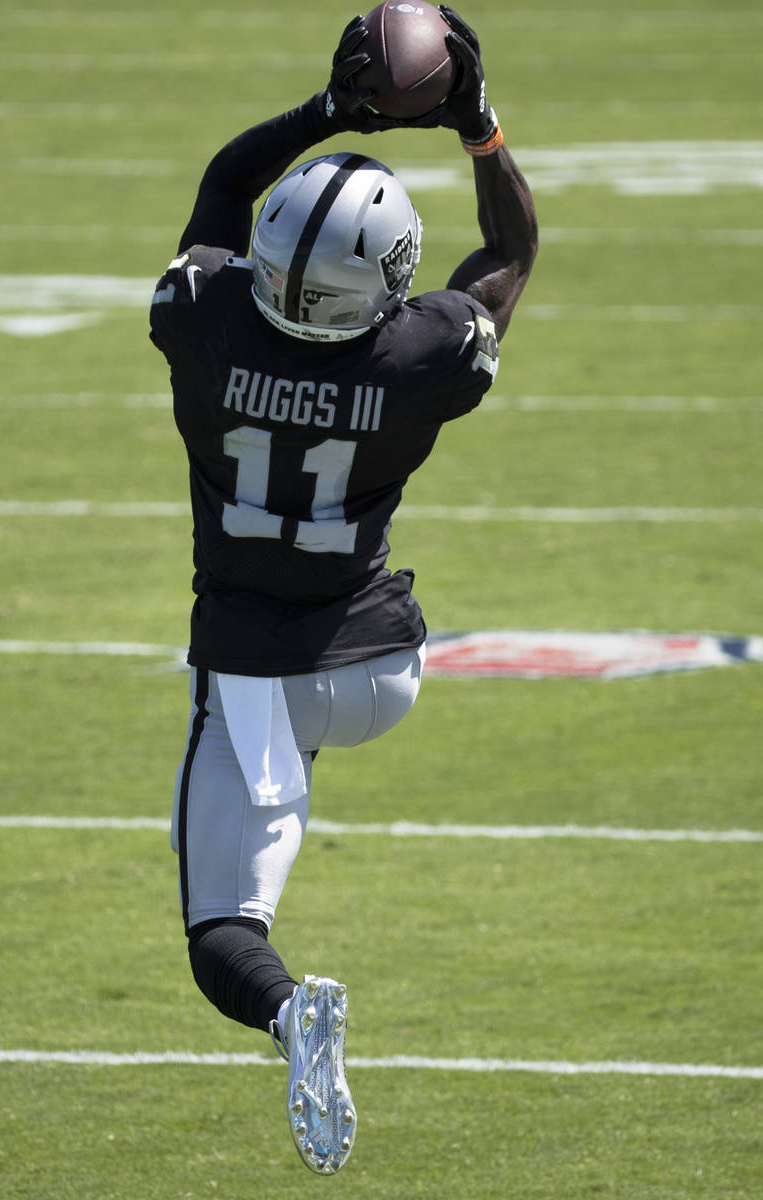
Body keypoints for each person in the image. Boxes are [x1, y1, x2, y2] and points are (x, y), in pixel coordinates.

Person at [149, 5, 537, 1176]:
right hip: (379, 666)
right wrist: (474, 126)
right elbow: (510, 253)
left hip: (258, 676)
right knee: (292, 739)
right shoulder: (417, 356)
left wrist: (330, 111)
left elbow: (223, 187)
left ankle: (287, 1016)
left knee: (224, 929)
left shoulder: (202, 321)